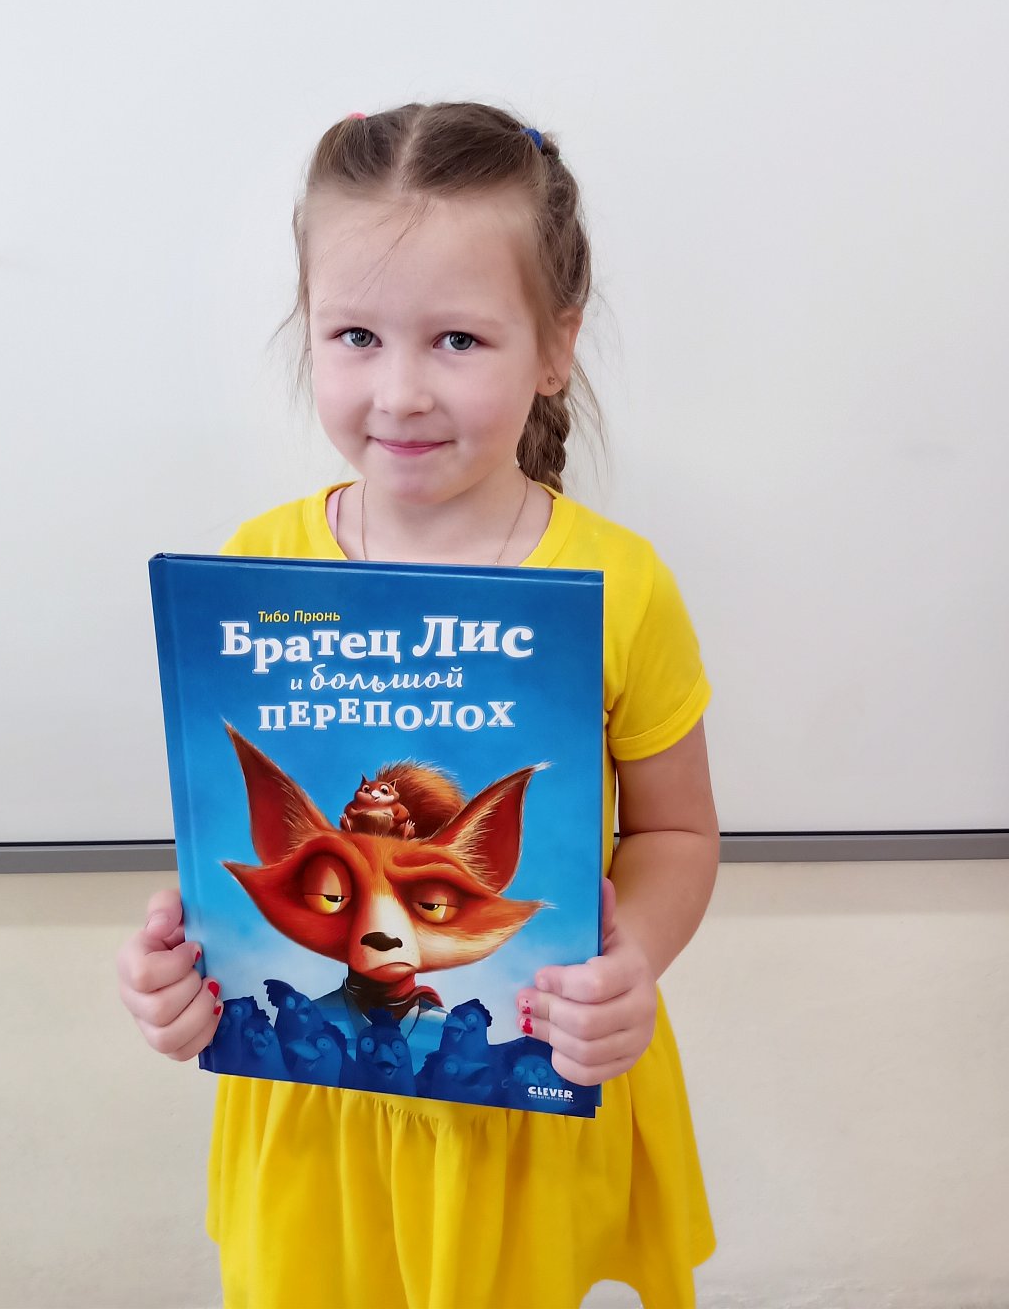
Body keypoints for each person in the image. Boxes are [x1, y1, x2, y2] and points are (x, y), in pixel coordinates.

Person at [117, 102, 720, 1309]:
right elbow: (231, 856)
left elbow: (676, 828)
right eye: (354, 335)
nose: (398, 392)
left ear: (555, 346)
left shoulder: (622, 584)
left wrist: (632, 964)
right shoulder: (254, 569)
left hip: (530, 1100)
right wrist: (179, 977)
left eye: (457, 339)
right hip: (316, 1125)